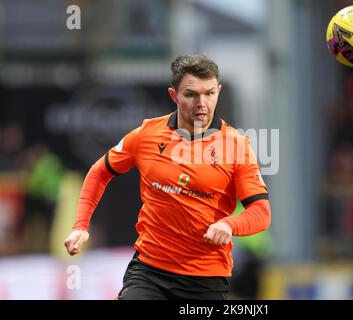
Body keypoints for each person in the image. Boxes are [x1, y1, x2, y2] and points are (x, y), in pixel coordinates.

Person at [64, 54, 271, 300]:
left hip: (206, 280)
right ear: (174, 95)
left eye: (209, 93)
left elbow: (261, 212)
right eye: (191, 94)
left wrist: (229, 224)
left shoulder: (236, 145)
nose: (201, 103)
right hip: (149, 272)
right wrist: (81, 226)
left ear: (218, 91)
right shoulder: (146, 135)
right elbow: (99, 172)